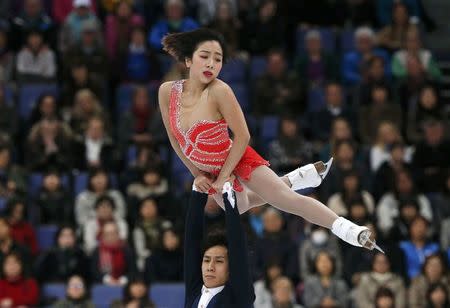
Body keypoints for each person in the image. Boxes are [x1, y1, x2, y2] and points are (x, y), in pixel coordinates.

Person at [159, 28, 378, 251]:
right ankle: (293, 179)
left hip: (236, 158)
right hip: (210, 171)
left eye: (218, 59)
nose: (211, 64)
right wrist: (199, 175)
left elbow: (243, 136)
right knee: (242, 206)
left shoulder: (220, 91)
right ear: (187, 60)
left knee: (287, 201)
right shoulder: (167, 92)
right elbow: (175, 140)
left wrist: (224, 175)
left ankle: (348, 229)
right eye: (204, 56)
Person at [184, 181, 255, 307]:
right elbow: (191, 244)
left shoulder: (238, 297)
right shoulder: (194, 293)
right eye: (206, 260)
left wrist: (228, 195)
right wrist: (199, 193)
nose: (210, 267)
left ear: (230, 268)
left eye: (219, 261)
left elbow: (238, 248)